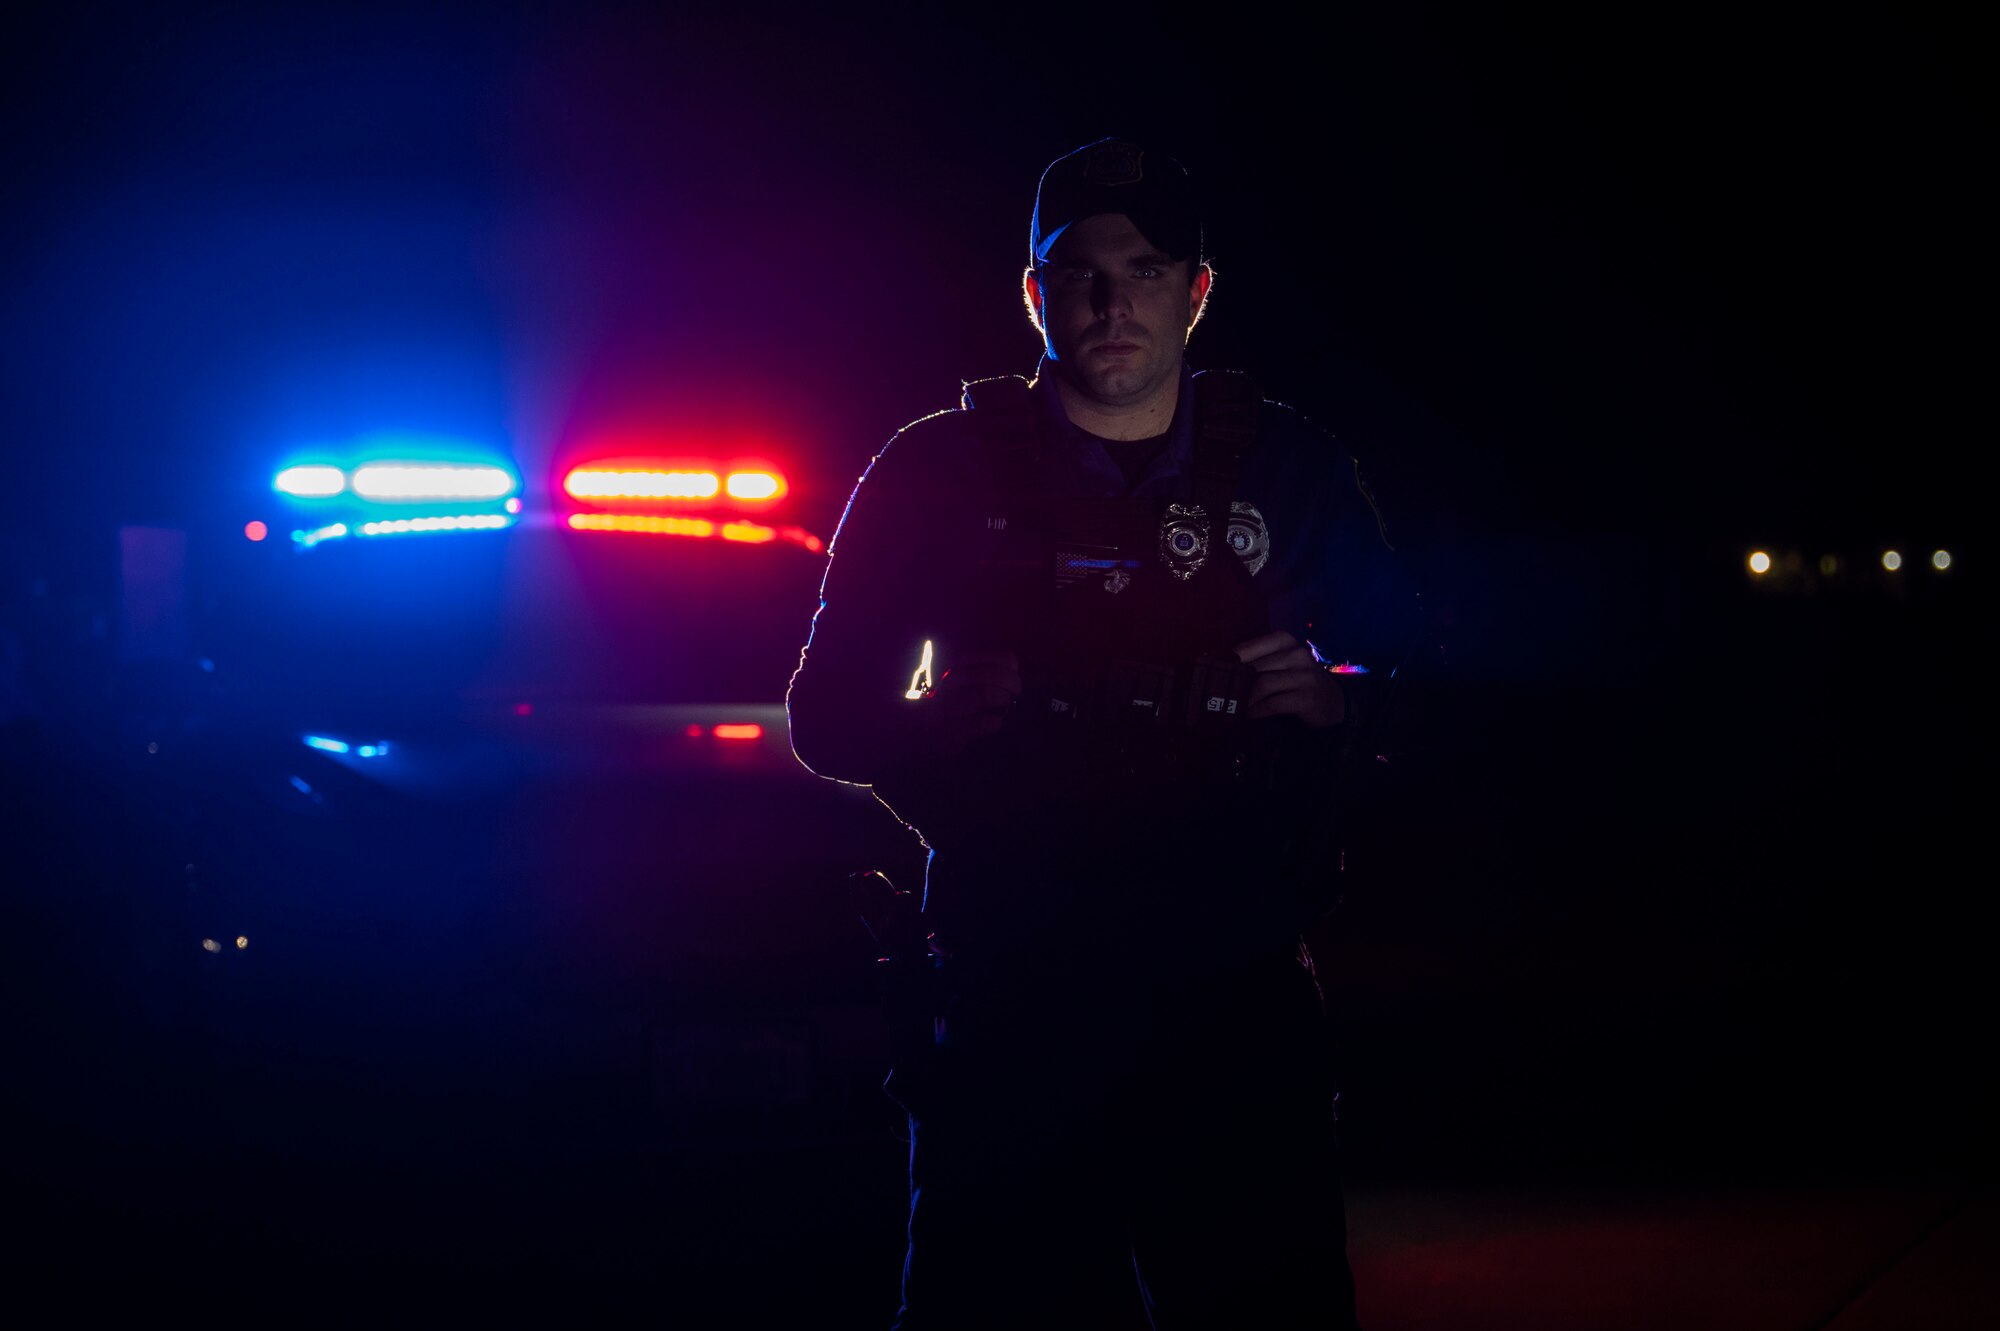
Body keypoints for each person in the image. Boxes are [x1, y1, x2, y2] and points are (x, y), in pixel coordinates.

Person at [788, 138, 1402, 1329]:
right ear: (1031, 292)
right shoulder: (936, 470)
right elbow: (824, 715)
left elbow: (1423, 671)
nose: (1112, 302)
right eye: (1076, 272)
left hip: (1230, 976)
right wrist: (924, 724)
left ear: (1197, 289)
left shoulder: (1289, 469)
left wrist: (1341, 700)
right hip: (1014, 976)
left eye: (1147, 268)